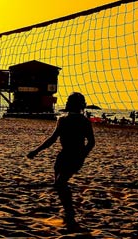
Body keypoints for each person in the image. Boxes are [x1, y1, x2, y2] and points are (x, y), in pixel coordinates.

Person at [27, 92, 95, 230]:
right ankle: (68, 212)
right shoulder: (63, 120)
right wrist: (36, 151)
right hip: (63, 156)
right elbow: (52, 139)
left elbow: (91, 142)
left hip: (75, 156)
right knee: (58, 185)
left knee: (60, 183)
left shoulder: (83, 121)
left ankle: (70, 215)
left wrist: (82, 155)